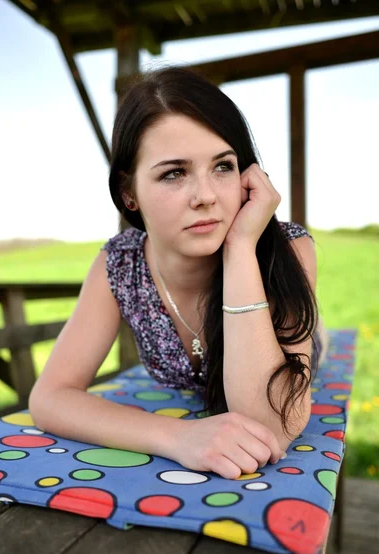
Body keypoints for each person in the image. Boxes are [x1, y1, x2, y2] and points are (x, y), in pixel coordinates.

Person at [29, 66, 328, 480]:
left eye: (222, 167)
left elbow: (274, 426)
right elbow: (49, 397)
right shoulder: (121, 265)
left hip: (296, 344)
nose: (205, 197)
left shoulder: (287, 248)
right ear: (129, 192)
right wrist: (177, 437)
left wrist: (240, 247)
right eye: (174, 173)